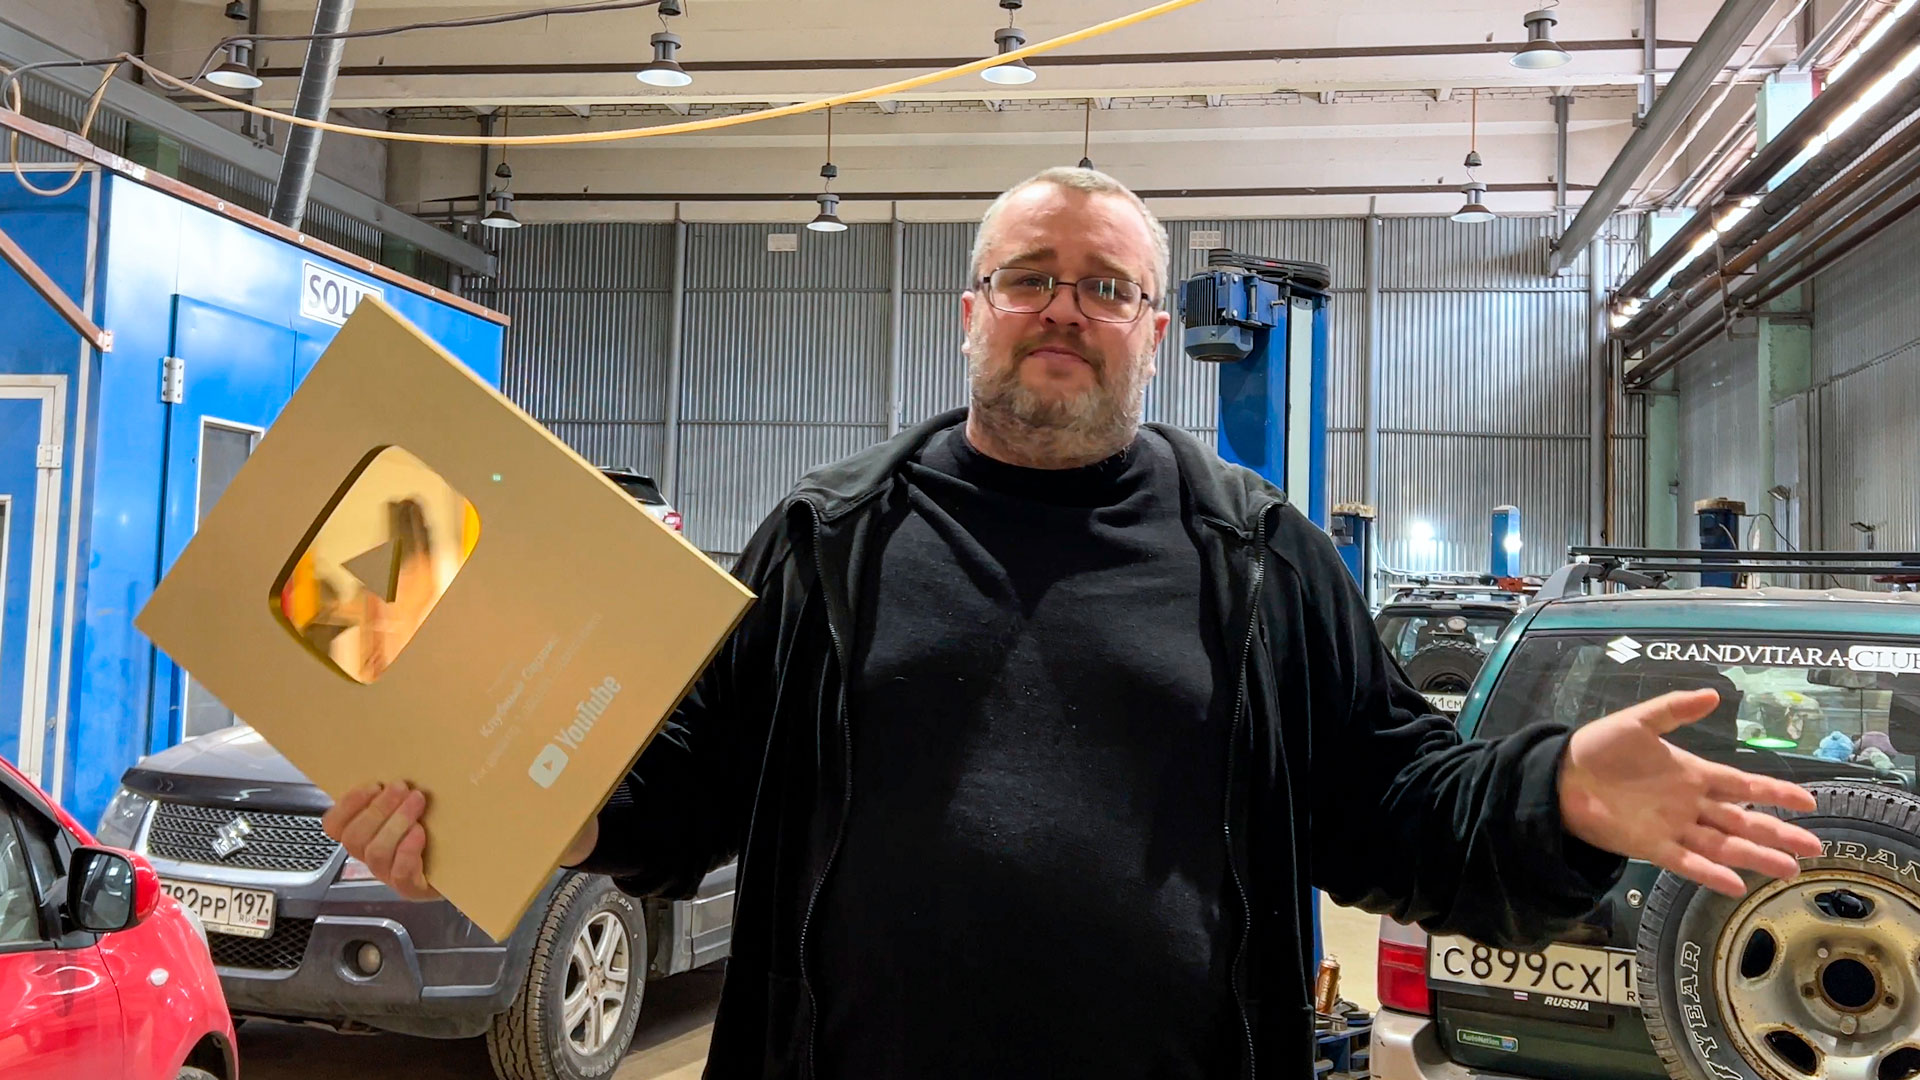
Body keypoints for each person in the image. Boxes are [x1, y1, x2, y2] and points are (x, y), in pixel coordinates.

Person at [324, 167, 1824, 1080]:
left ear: (1155, 336)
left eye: (1106, 288)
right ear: (969, 312)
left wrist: (1553, 796)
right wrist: (527, 811)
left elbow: (1386, 806)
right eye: (1029, 279)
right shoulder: (831, 540)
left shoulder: (1259, 557)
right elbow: (696, 788)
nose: (1063, 308)